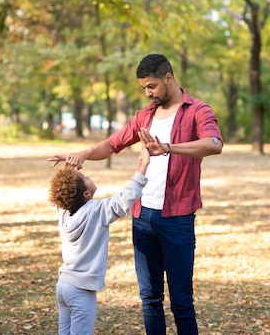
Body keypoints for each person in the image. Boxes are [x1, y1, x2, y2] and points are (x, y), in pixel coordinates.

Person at [49, 53, 224, 334]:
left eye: (152, 86)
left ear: (169, 78)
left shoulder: (197, 111)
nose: (148, 93)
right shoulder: (145, 116)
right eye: (144, 88)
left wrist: (167, 147)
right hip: (142, 218)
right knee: (149, 299)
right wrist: (82, 154)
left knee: (181, 301)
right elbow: (112, 143)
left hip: (177, 219)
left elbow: (214, 144)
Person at [49, 145, 150, 335]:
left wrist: (69, 167)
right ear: (86, 194)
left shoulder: (64, 211)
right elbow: (124, 199)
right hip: (80, 290)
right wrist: (144, 164)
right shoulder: (96, 211)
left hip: (64, 286)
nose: (88, 176)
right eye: (85, 178)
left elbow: (63, 192)